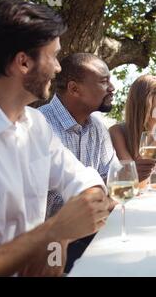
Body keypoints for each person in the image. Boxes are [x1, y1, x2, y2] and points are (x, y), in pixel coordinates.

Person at [0, 0, 112, 276]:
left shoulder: (36, 126)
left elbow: (86, 181)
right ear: (24, 62)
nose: (58, 68)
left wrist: (59, 240)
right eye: (52, 56)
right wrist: (50, 233)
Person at [38, 53, 119, 272]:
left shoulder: (98, 127)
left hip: (90, 234)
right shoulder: (39, 126)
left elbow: (113, 184)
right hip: (45, 247)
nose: (112, 87)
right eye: (104, 81)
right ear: (74, 89)